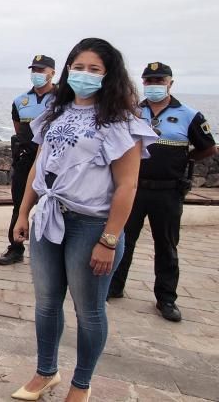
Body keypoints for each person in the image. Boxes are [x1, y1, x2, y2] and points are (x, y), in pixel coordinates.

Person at [11, 38, 157, 401]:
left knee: (89, 311)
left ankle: (81, 384)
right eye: (78, 67)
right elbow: (38, 168)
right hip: (50, 217)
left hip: (91, 225)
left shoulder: (120, 122)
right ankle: (46, 372)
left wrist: (109, 240)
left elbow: (127, 185)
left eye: (94, 69)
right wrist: (23, 211)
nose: (84, 75)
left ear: (109, 77)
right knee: (46, 302)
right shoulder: (55, 113)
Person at [108, 62, 217, 322]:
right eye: (150, 81)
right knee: (123, 240)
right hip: (133, 188)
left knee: (166, 246)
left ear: (170, 83)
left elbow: (208, 148)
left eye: (160, 80)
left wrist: (184, 160)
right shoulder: (131, 112)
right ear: (143, 84)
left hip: (168, 191)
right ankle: (114, 286)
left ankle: (166, 298)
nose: (154, 85)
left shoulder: (189, 115)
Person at [0, 55, 56, 265]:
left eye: (42, 70)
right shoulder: (20, 100)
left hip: (52, 163)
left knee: (50, 207)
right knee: (19, 205)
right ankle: (15, 248)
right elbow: (19, 128)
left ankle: (48, 254)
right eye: (35, 70)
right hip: (25, 160)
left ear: (52, 73)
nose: (38, 74)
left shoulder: (63, 99)